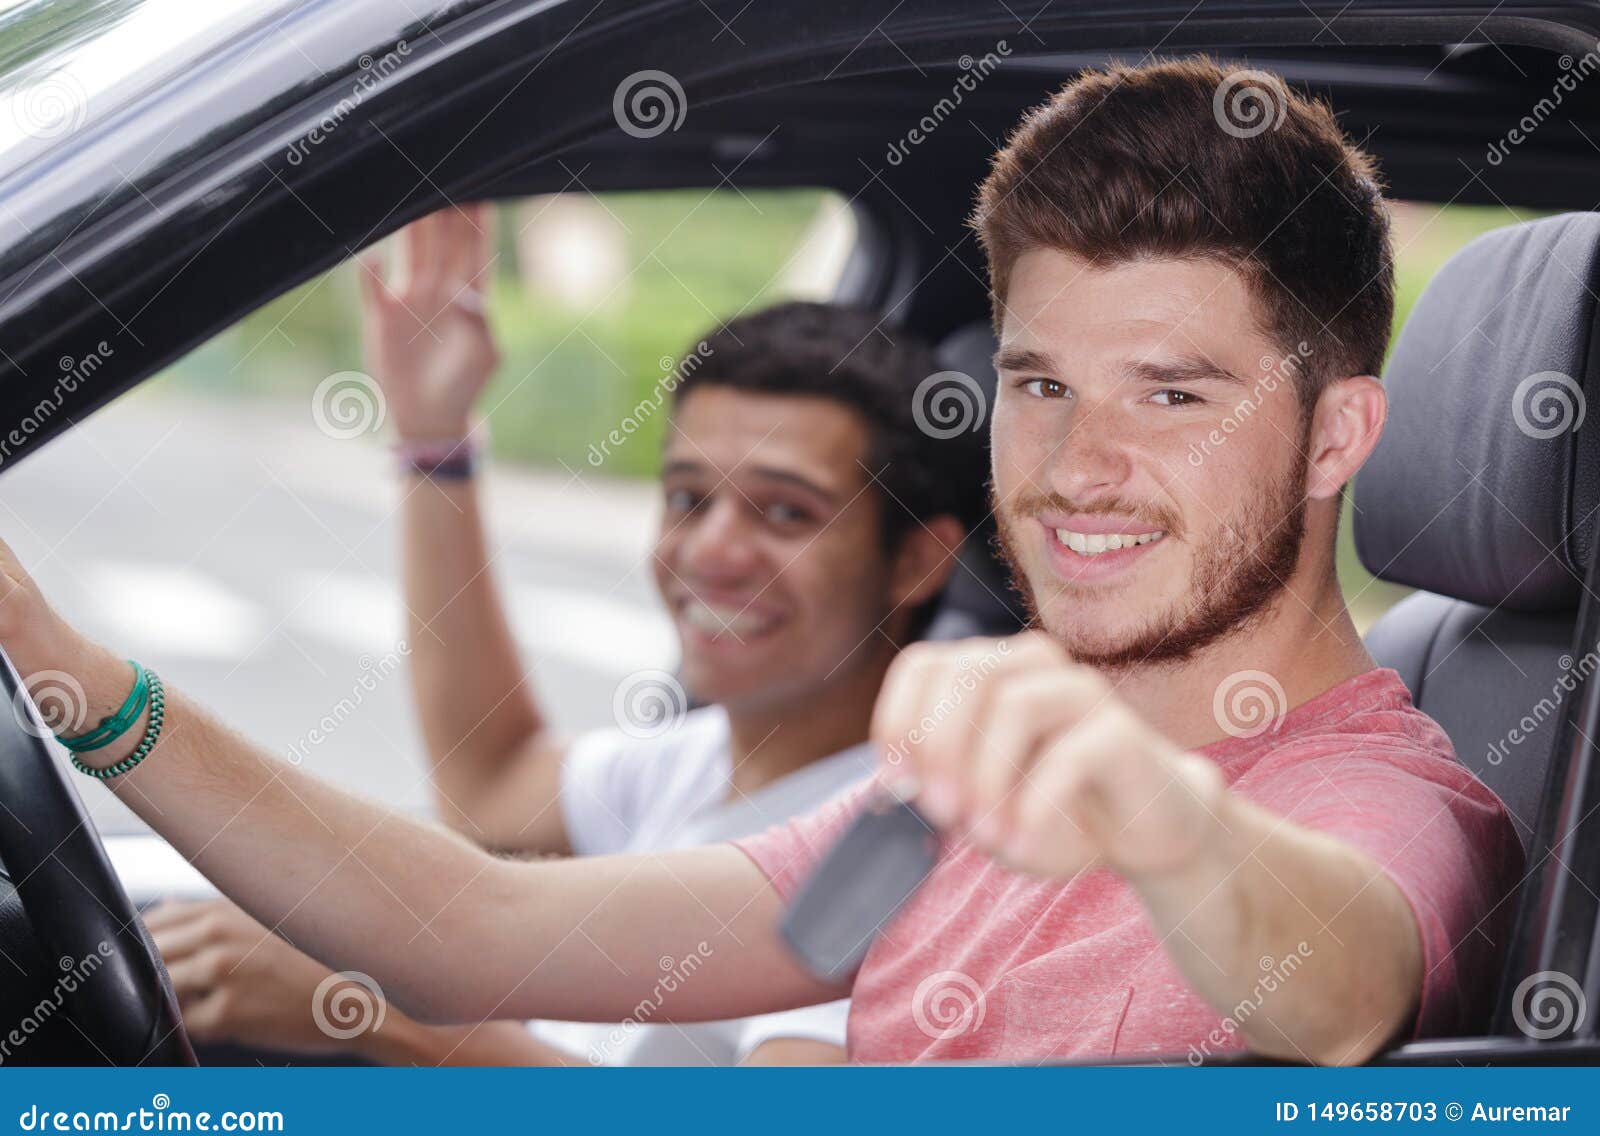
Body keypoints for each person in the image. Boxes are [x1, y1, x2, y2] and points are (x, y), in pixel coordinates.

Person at [0, 56, 1523, 1064]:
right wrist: (68, 672)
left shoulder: (1386, 801)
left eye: (1172, 396)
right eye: (1040, 384)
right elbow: (477, 931)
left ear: (1334, 437)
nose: (1075, 465)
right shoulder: (963, 787)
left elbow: (1338, 989)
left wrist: (1159, 813)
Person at [139, 210, 989, 1065]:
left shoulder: (901, 843)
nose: (711, 551)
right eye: (688, 497)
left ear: (918, 559)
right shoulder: (697, 758)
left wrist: (385, 1017)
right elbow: (489, 777)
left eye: (785, 512)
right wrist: (435, 439)